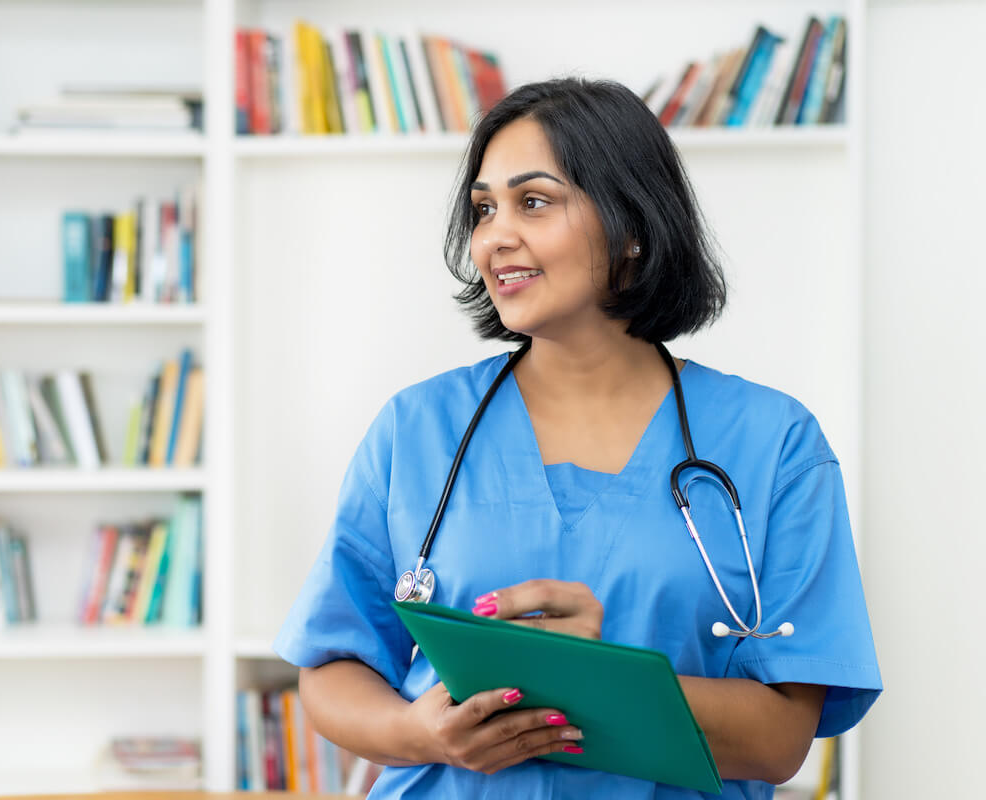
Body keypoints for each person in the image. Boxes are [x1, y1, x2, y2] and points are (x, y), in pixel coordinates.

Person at [272, 77, 881, 799]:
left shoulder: (773, 445)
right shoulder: (417, 430)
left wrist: (600, 680)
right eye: (484, 209)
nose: (495, 235)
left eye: (533, 201)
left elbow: (781, 741)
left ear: (632, 225)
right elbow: (332, 670)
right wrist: (421, 735)